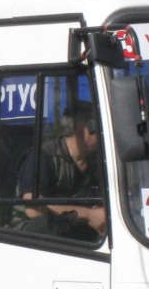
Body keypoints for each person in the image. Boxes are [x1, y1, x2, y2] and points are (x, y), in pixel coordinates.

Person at [16, 101, 106, 240]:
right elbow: (34, 209)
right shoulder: (42, 157)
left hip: (80, 237)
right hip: (37, 241)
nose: (103, 135)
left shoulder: (97, 162)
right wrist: (88, 215)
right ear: (83, 130)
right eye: (99, 128)